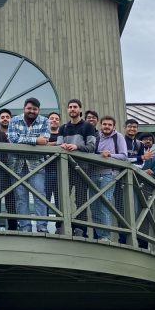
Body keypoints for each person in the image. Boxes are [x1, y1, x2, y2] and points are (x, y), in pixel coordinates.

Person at [7, 97, 51, 233]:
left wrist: (26, 140)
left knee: (40, 195)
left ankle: (42, 226)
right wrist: (35, 140)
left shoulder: (44, 121)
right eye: (29, 108)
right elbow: (12, 139)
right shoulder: (14, 120)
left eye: (35, 109)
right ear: (24, 108)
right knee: (21, 197)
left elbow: (45, 140)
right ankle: (25, 227)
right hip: (17, 165)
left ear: (38, 110)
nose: (32, 111)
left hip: (36, 165)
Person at [57, 99, 97, 237]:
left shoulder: (88, 127)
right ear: (67, 110)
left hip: (82, 168)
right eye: (70, 107)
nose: (72, 109)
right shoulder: (62, 128)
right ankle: (61, 227)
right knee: (61, 199)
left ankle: (81, 229)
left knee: (80, 200)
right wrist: (62, 146)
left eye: (75, 107)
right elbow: (58, 146)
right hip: (64, 168)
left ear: (80, 109)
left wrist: (77, 147)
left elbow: (92, 148)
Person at [91, 116, 128, 241]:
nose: (107, 126)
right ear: (101, 125)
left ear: (113, 127)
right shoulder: (96, 137)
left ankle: (105, 236)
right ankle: (98, 235)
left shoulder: (118, 137)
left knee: (104, 204)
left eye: (109, 125)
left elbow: (124, 156)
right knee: (94, 206)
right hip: (93, 174)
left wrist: (110, 155)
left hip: (109, 174)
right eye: (105, 124)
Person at [0, 108, 18, 230]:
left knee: (12, 199)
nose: (5, 119)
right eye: (2, 117)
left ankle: (13, 227)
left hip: (13, 169)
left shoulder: (16, 133)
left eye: (7, 117)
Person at [44, 112, 61, 217]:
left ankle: (60, 227)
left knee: (60, 200)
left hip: (60, 171)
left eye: (57, 119)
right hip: (45, 171)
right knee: (45, 200)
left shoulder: (62, 134)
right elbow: (40, 145)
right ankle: (43, 225)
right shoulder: (43, 134)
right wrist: (56, 144)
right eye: (52, 118)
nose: (54, 120)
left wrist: (48, 145)